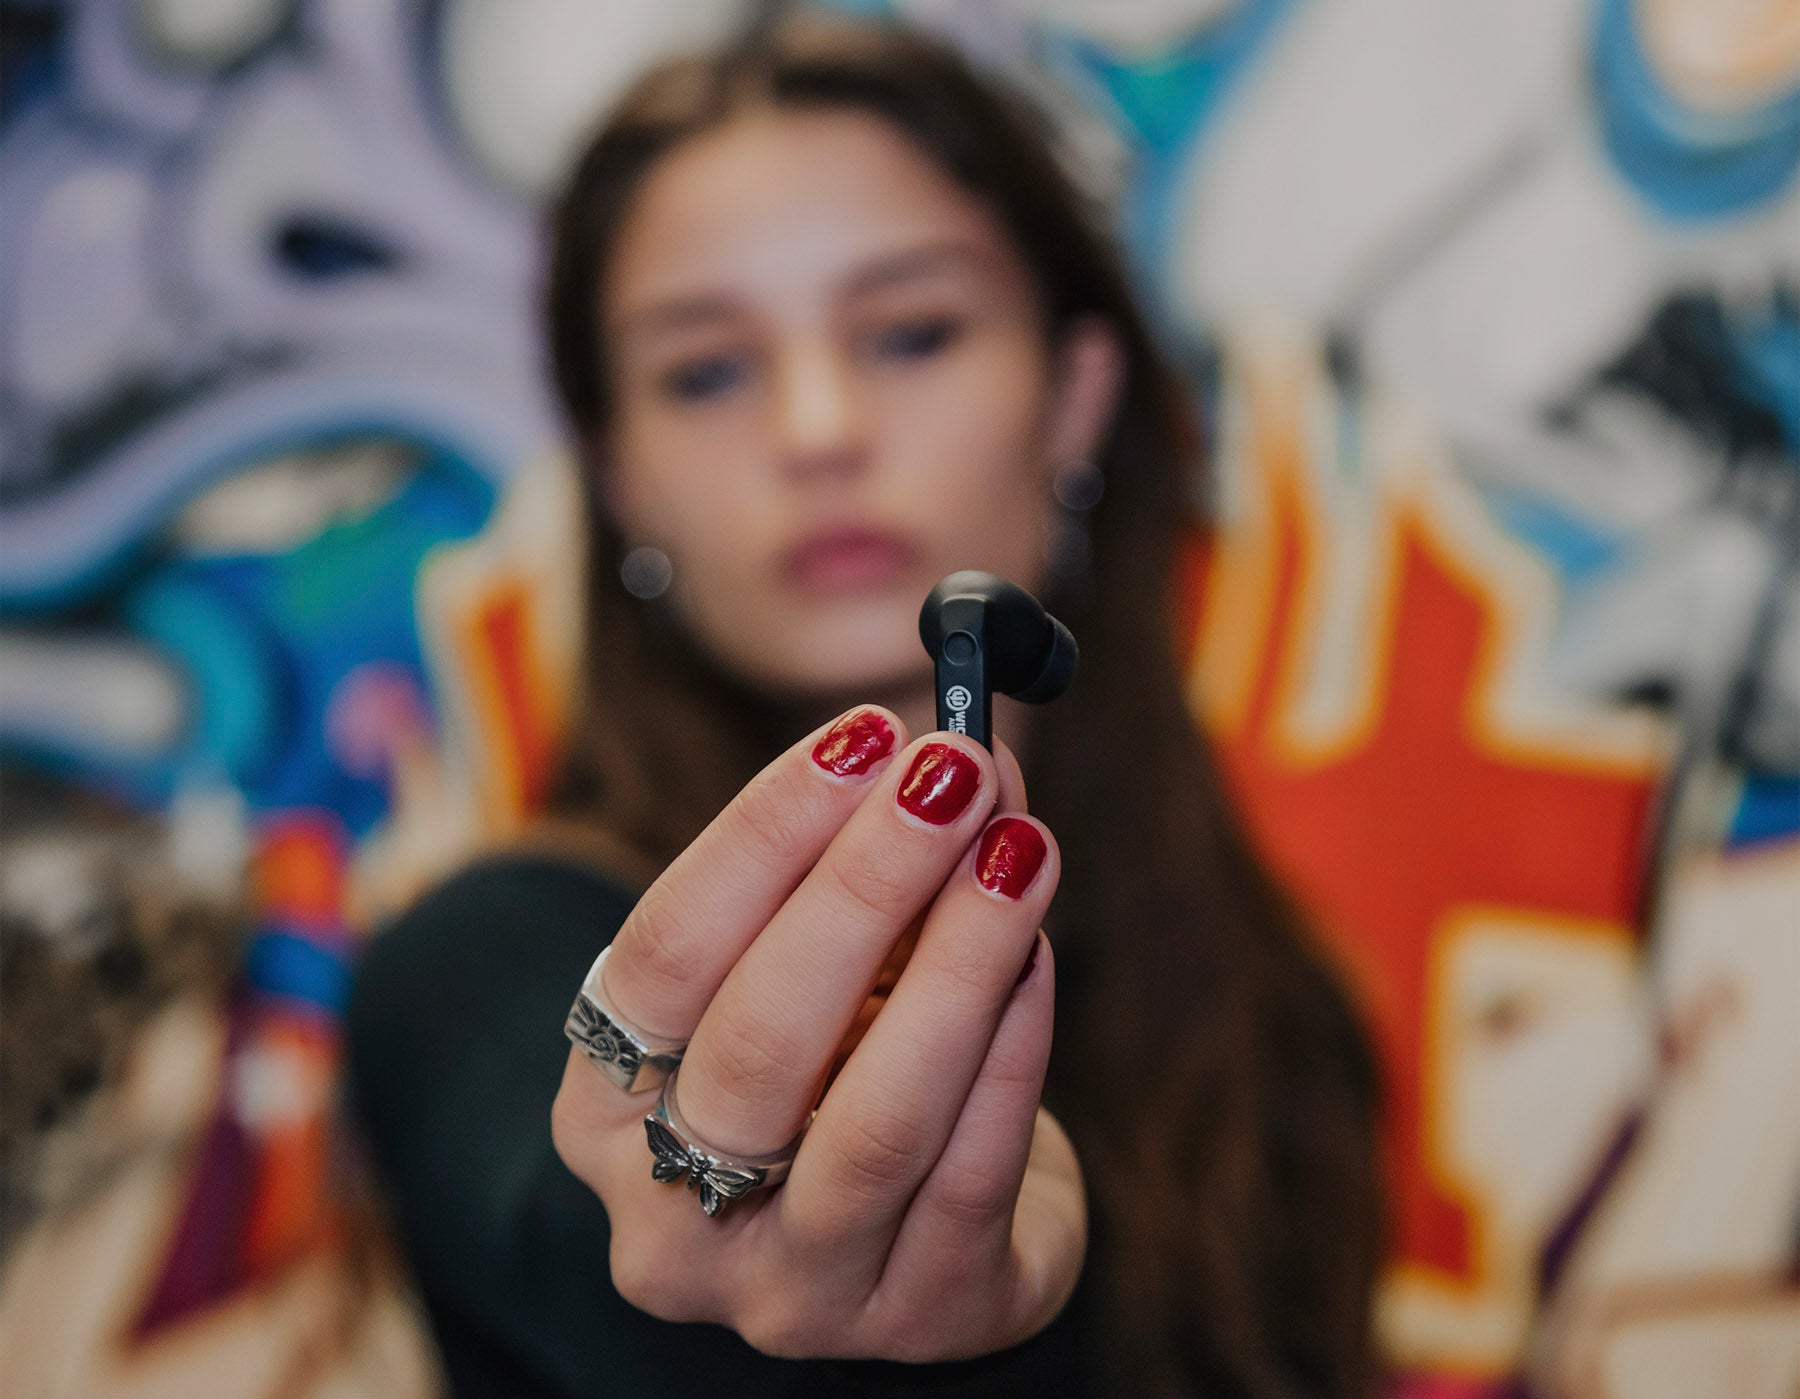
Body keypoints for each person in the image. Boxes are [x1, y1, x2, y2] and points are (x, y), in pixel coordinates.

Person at [347, 16, 1382, 1398]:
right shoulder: (481, 960)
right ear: (623, 480)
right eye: (706, 370)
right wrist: (690, 1226)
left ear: (1074, 399)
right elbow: (547, 1205)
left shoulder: (1258, 992)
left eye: (910, 332)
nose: (819, 427)